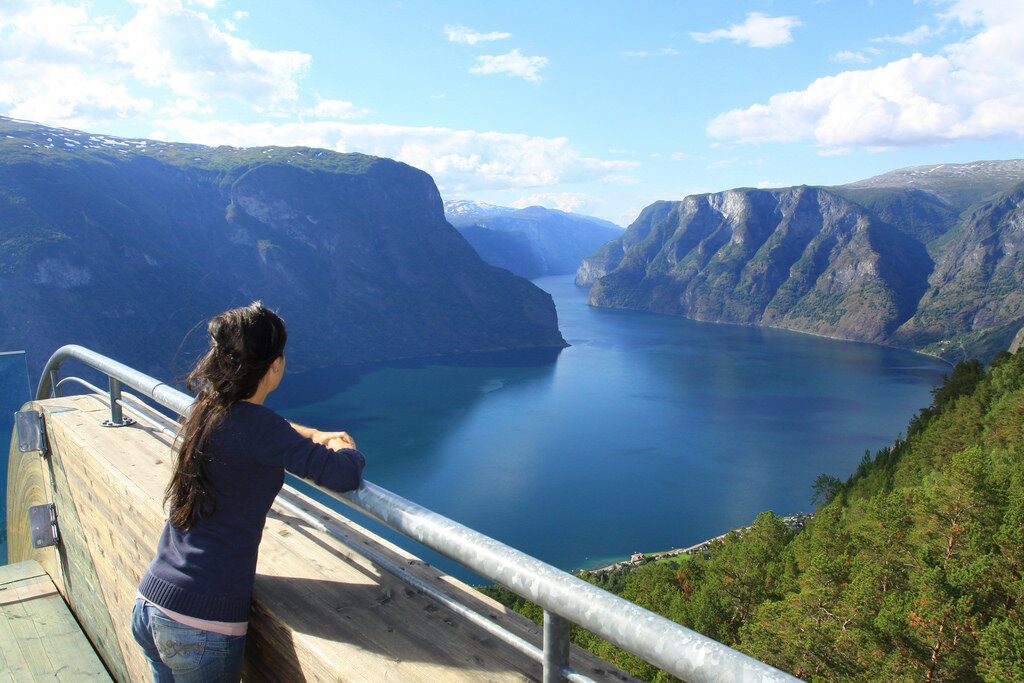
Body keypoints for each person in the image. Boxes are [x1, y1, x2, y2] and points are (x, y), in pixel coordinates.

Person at [131, 302, 365, 682]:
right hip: (201, 623)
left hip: (152, 603)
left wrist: (313, 434)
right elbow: (342, 476)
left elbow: (269, 429)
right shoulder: (258, 429)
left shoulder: (207, 410)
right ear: (275, 365)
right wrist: (345, 448)